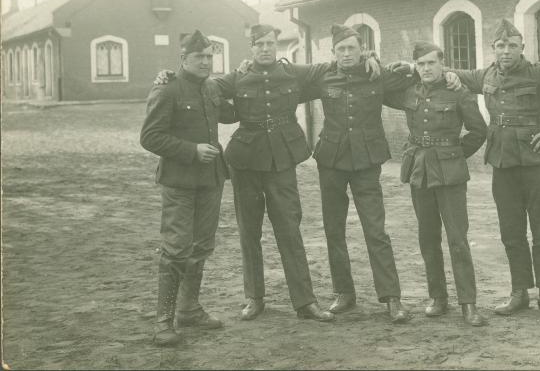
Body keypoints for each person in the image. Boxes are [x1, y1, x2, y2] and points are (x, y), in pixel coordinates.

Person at [153, 24, 383, 323]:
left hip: (282, 162)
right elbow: (198, 85)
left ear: (277, 46)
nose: (264, 49)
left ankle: (305, 302)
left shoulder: (295, 74)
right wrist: (168, 75)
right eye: (259, 44)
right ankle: (254, 298)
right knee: (249, 232)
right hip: (245, 162)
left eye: (270, 43)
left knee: (290, 229)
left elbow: (337, 64)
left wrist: (371, 57)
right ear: (251, 48)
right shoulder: (235, 78)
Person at [312, 24, 461, 323]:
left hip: (367, 161)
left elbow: (418, 70)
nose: (346, 54)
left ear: (361, 49)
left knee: (376, 230)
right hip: (331, 160)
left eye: (351, 48)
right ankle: (344, 292)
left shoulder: (376, 73)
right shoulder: (320, 75)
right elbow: (280, 77)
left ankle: (392, 298)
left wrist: (452, 74)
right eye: (340, 49)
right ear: (333, 53)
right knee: (333, 229)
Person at [450, 19, 540, 319]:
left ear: (522, 47)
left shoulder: (539, 73)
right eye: (501, 46)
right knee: (511, 232)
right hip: (503, 164)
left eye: (512, 45)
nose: (506, 51)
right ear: (493, 49)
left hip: (537, 163)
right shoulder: (485, 75)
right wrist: (404, 67)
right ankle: (519, 291)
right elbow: (447, 72)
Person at [383, 41, 487, 326]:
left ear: (443, 64)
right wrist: (403, 69)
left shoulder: (459, 92)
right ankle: (438, 297)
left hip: (450, 173)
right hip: (419, 171)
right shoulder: (409, 91)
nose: (426, 68)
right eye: (421, 64)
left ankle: (468, 303)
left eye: (431, 63)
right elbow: (381, 88)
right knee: (427, 237)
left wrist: (453, 155)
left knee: (457, 239)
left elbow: (479, 131)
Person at [140, 30, 234, 347]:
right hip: (179, 181)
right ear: (183, 59)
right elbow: (150, 137)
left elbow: (231, 107)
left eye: (210, 56)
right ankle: (163, 322)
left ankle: (189, 309)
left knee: (202, 245)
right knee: (176, 248)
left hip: (210, 179)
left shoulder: (210, 87)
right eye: (199, 57)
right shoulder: (167, 89)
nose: (206, 62)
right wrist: (191, 150)